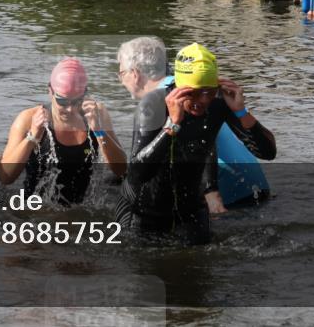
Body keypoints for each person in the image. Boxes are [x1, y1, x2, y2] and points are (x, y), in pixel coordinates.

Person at [114, 43, 276, 245]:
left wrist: (241, 111)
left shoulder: (219, 103)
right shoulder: (153, 104)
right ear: (178, 86)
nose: (201, 100)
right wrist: (172, 125)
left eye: (208, 92)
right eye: (192, 93)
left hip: (191, 207)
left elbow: (268, 152)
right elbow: (138, 173)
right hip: (142, 210)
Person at [0, 58, 126, 206]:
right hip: (37, 214)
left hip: (81, 210)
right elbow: (5, 177)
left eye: (77, 101)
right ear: (50, 92)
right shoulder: (27, 118)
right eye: (63, 102)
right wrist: (32, 138)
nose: (70, 109)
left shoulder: (98, 114)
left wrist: (99, 132)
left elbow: (121, 170)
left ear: (85, 94)